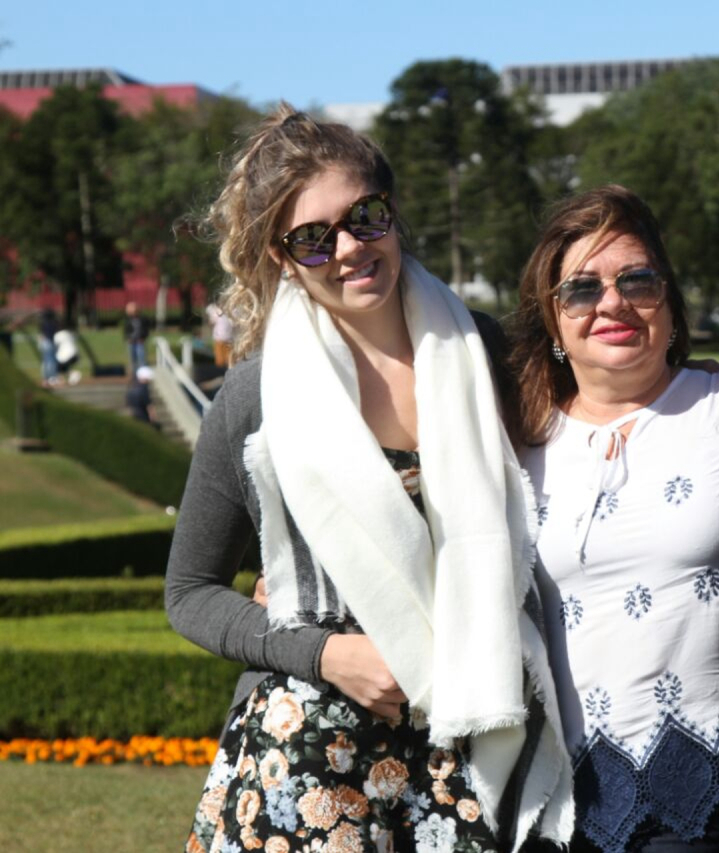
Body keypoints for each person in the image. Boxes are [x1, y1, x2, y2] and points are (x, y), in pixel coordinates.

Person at [165, 106, 573, 853]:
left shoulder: (481, 351)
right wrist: (323, 653)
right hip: (309, 760)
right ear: (282, 258)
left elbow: (604, 400)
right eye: (314, 239)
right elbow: (188, 592)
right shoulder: (256, 396)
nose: (350, 248)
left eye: (366, 216)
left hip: (467, 738)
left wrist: (705, 382)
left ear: (393, 210)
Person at [507, 185, 719, 853]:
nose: (612, 302)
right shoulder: (517, 442)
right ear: (552, 321)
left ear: (669, 299)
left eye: (637, 280)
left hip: (702, 794)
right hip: (553, 803)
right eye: (581, 289)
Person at [123, 300, 150, 374]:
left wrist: (143, 338)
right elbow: (126, 331)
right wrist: (128, 338)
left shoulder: (143, 319)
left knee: (141, 357)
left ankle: (143, 372)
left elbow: (146, 330)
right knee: (132, 358)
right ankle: (134, 373)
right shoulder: (128, 320)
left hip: (140, 341)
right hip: (131, 341)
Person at [206, 301, 235, 368]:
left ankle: (221, 370)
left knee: (221, 358)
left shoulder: (217, 312)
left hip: (221, 338)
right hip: (228, 338)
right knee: (228, 358)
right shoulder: (231, 312)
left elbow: (211, 322)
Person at [37, 308, 59, 387]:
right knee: (51, 361)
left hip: (43, 342)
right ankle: (51, 378)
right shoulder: (53, 323)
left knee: (46, 361)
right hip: (49, 342)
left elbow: (41, 334)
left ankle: (45, 379)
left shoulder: (43, 323)